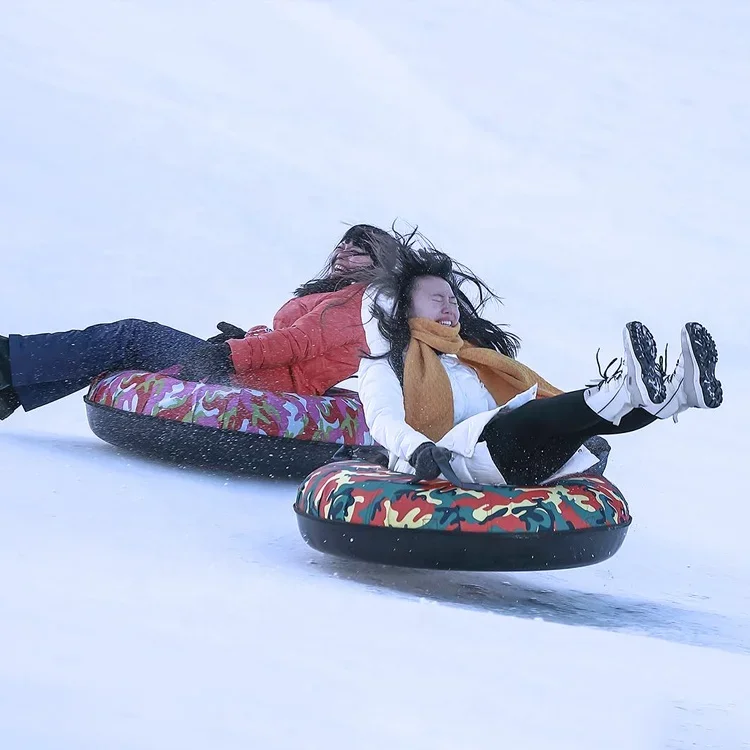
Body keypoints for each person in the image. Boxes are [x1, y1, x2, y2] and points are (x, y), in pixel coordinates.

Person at [357, 240, 723, 486]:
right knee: (527, 420)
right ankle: (625, 388)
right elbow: (383, 420)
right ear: (405, 309)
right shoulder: (386, 364)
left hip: (504, 457)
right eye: (437, 299)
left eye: (453, 299)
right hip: (445, 465)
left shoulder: (468, 359)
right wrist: (419, 449)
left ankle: (678, 394)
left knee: (569, 425)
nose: (450, 307)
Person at [0, 224, 400, 420]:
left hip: (263, 381)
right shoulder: (335, 294)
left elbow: (295, 345)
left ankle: (6, 361)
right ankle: (11, 393)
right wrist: (248, 337)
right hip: (261, 370)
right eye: (346, 242)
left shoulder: (358, 301)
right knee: (130, 347)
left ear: (380, 263)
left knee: (132, 335)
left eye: (360, 248)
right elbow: (291, 341)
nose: (346, 249)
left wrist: (227, 356)